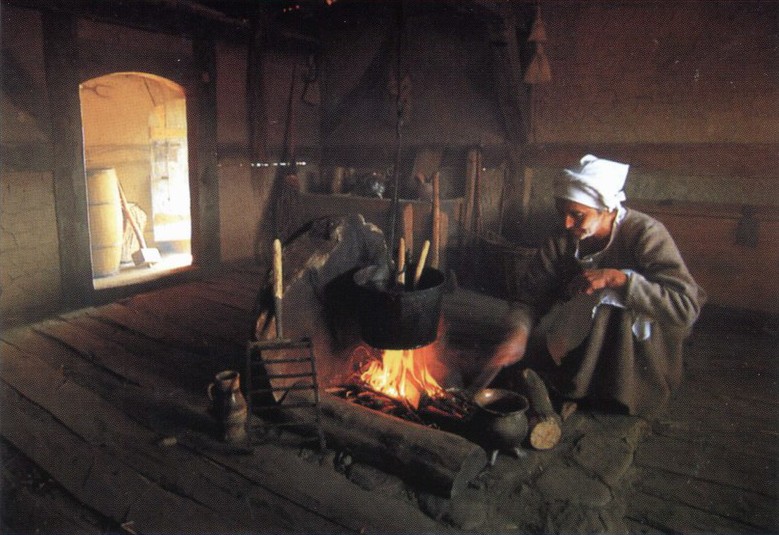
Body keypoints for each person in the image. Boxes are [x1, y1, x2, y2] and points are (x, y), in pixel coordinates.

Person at [489, 154, 706, 417]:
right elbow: (529, 297)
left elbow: (685, 307)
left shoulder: (646, 233)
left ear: (607, 210)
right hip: (580, 329)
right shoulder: (563, 238)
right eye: (562, 212)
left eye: (577, 215)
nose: (567, 223)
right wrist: (518, 333)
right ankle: (578, 376)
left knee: (608, 297)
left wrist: (620, 280)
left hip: (638, 344)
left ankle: (615, 389)